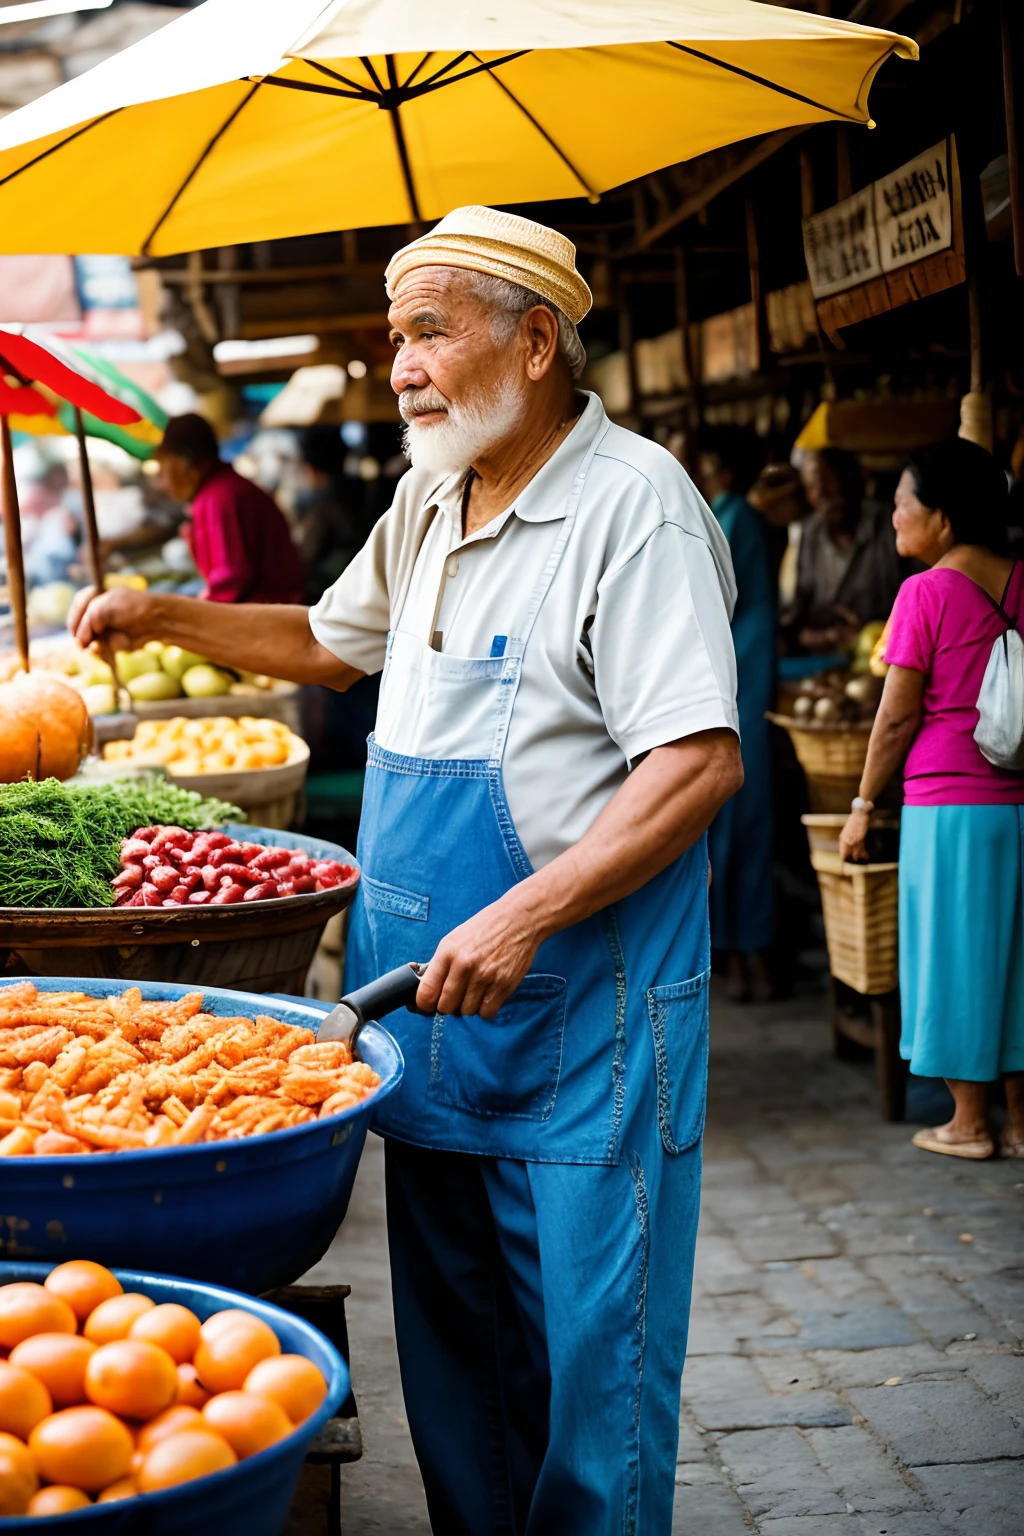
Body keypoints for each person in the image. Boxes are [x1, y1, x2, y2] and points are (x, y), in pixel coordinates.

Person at [69, 204, 743, 1534]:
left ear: (537, 341)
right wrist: (161, 612)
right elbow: (329, 645)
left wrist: (525, 916)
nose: (403, 366)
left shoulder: (634, 508)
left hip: (576, 1013)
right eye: (396, 336)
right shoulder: (434, 494)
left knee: (586, 1375)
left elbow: (697, 763)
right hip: (422, 1016)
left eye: (431, 331)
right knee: (460, 1372)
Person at [839, 437, 1023, 1160]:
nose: (892, 519)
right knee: (1014, 957)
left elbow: (895, 718)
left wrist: (862, 802)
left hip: (950, 805)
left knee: (953, 953)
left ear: (942, 519)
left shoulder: (925, 593)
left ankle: (969, 1122)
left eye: (901, 505)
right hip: (1016, 801)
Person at [698, 427, 776, 1000]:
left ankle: (749, 954)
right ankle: (735, 952)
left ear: (719, 467)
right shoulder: (729, 514)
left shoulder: (734, 520)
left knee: (743, 826)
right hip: (736, 677)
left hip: (742, 681)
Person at [155, 413, 304, 604]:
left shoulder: (220, 498)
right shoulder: (221, 491)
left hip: (268, 613)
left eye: (164, 469)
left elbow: (231, 579)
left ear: (186, 465)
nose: (163, 483)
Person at [788, 447, 905, 651]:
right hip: (826, 661)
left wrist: (869, 634)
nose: (823, 492)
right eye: (812, 485)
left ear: (852, 477)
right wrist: (827, 636)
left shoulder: (889, 525)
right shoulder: (811, 533)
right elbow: (799, 616)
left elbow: (917, 609)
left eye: (830, 478)